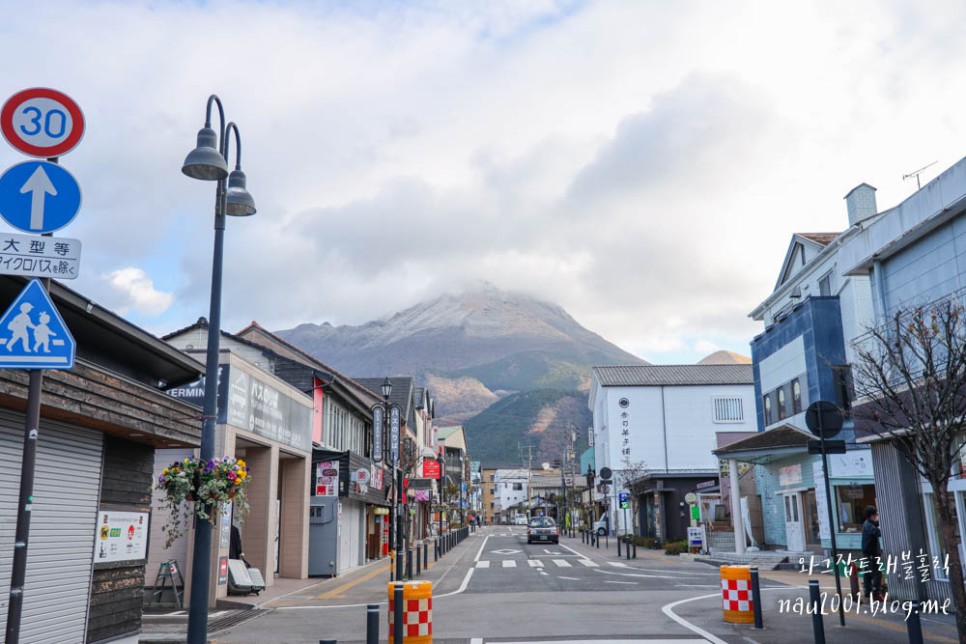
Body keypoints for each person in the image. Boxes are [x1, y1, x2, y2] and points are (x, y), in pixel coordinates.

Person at [861, 506, 883, 600]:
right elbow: (877, 532)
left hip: (867, 552)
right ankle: (876, 594)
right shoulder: (869, 525)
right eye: (875, 514)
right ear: (871, 515)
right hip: (871, 553)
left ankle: (867, 591)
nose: (876, 516)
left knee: (868, 572)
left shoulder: (868, 523)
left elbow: (876, 525)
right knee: (877, 573)